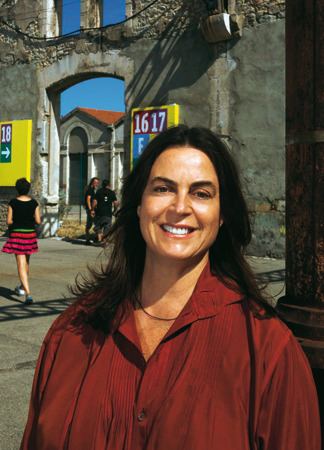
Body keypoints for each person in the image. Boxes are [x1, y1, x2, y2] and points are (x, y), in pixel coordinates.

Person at [20, 126, 321, 449]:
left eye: (202, 193)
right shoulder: (71, 333)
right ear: (138, 206)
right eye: (163, 188)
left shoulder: (268, 351)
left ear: (221, 217)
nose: (180, 206)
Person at [2, 178, 41, 305]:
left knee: (20, 264)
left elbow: (8, 221)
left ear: (17, 189)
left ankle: (28, 294)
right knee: (26, 263)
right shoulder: (34, 203)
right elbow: (38, 221)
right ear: (28, 189)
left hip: (17, 234)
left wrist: (17, 220)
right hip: (30, 234)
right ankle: (22, 287)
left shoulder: (13, 202)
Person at [92, 179, 118, 244]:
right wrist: (114, 210)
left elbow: (94, 202)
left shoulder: (98, 191)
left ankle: (100, 239)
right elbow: (116, 203)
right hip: (108, 213)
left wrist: (92, 209)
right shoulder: (112, 192)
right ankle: (104, 241)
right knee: (107, 227)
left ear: (102, 185)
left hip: (99, 213)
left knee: (98, 227)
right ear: (109, 185)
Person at [84, 177, 100, 244]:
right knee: (91, 224)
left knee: (93, 224)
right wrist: (91, 209)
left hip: (93, 209)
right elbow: (88, 199)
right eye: (95, 182)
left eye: (97, 183)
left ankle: (92, 238)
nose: (97, 184)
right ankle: (88, 239)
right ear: (92, 182)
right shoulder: (90, 189)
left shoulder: (93, 189)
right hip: (91, 210)